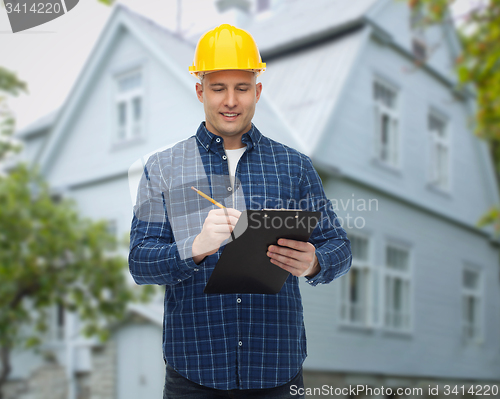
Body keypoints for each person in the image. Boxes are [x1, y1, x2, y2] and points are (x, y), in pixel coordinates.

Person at [129, 24, 352, 399]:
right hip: (194, 371)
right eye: (218, 88)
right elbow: (140, 262)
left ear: (257, 91)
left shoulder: (294, 166)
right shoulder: (163, 168)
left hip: (276, 369)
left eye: (242, 88)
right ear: (200, 90)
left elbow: (339, 247)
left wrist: (314, 263)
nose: (230, 100)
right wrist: (195, 247)